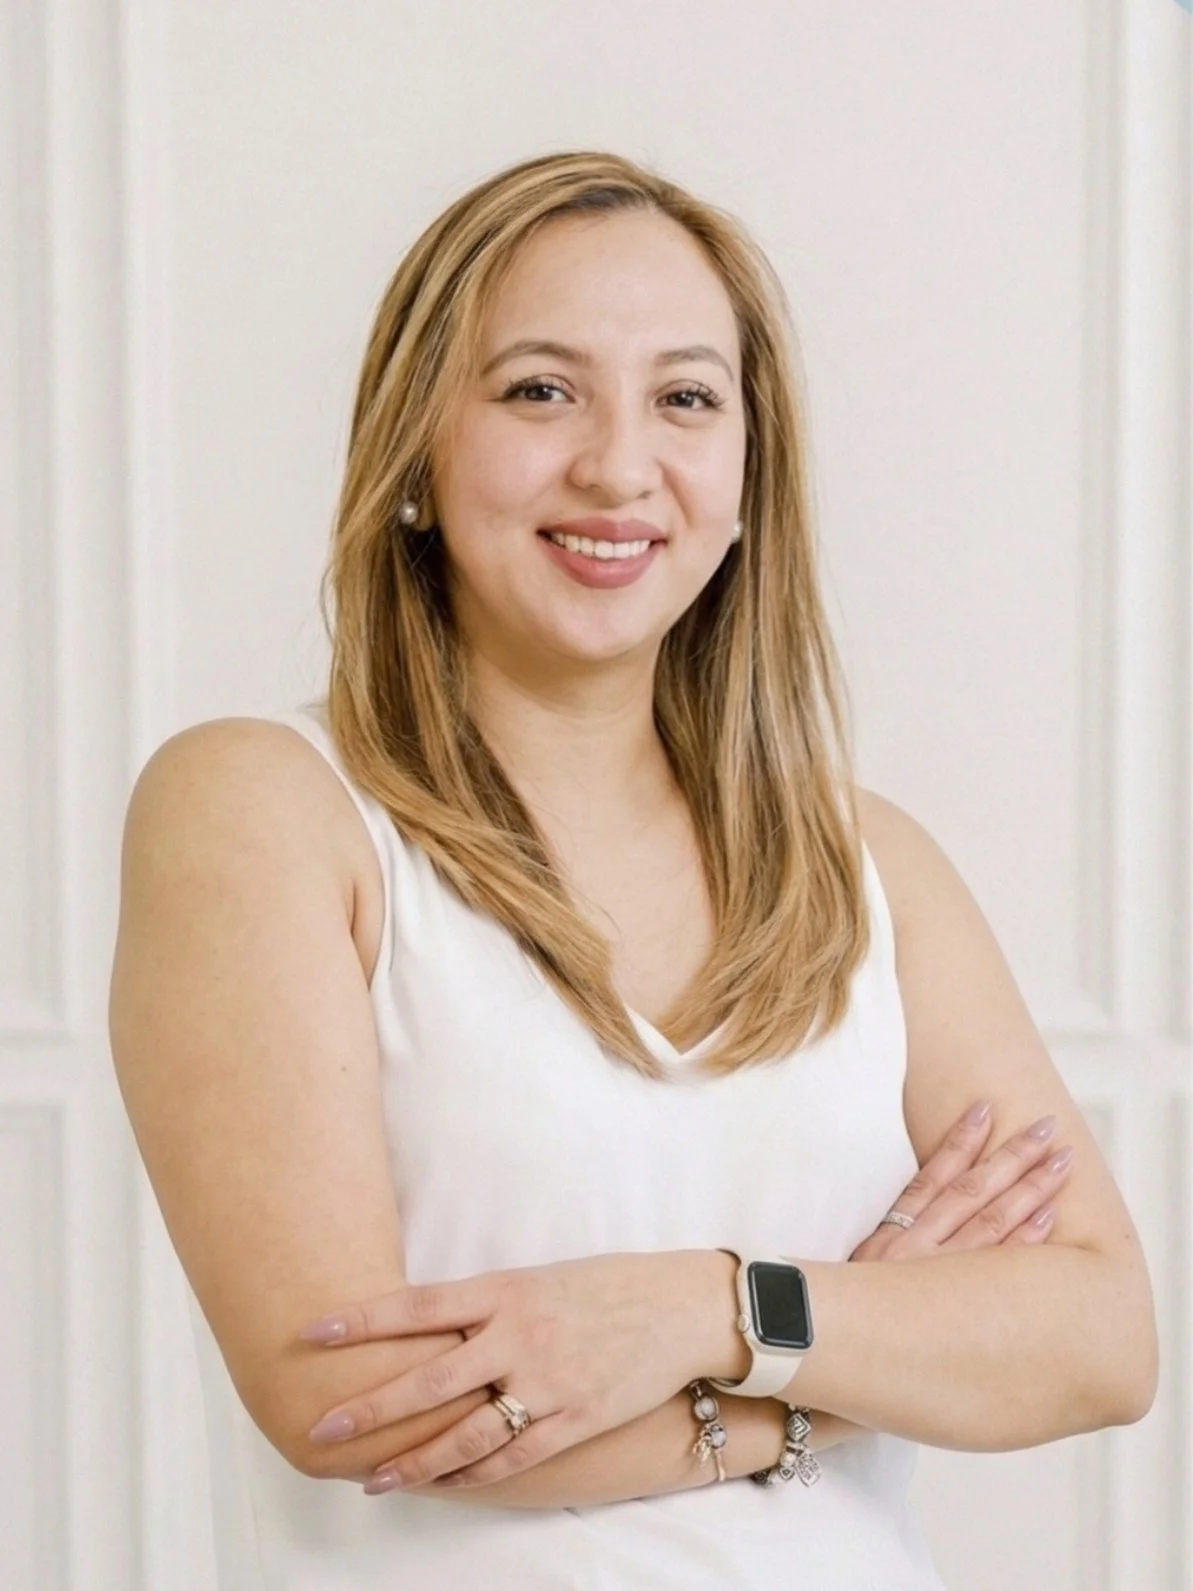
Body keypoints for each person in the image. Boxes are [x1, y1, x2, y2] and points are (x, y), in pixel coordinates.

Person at [108, 150, 1157, 1590]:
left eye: (686, 398)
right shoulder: (263, 811)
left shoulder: (868, 865)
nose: (617, 464)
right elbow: (356, 1404)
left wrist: (710, 1309)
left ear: (747, 471)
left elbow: (1102, 1338)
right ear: (416, 448)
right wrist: (858, 1361)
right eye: (540, 389)